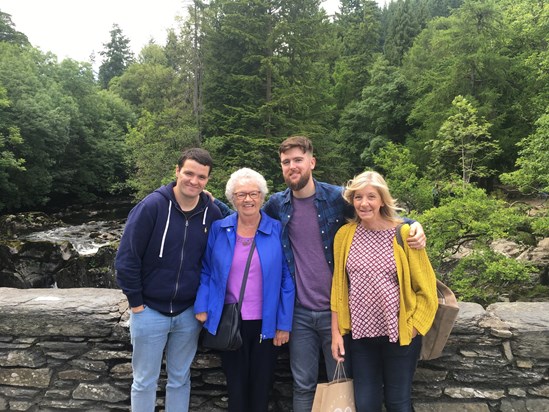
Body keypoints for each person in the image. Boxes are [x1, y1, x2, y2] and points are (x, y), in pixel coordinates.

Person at [214, 135, 426, 412]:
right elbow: (246, 213)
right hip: (300, 312)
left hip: (340, 313)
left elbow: (376, 212)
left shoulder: (337, 199)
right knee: (303, 384)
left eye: (298, 160)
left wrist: (414, 223)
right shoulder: (279, 205)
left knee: (344, 383)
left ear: (312, 162)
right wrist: (210, 203)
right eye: (286, 162)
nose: (292, 166)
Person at [115, 148, 222, 412]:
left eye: (201, 177)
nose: (194, 181)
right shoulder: (151, 206)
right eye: (189, 173)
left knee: (180, 379)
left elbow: (226, 250)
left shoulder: (212, 213)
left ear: (208, 180)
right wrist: (137, 303)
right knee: (143, 381)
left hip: (189, 313)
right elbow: (127, 257)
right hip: (149, 310)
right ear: (177, 171)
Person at [331, 171, 438, 412]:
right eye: (358, 197)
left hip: (399, 334)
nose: (364, 203)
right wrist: (336, 333)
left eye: (371, 196)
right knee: (365, 404)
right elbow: (338, 287)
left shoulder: (404, 234)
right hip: (360, 336)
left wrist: (414, 327)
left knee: (398, 403)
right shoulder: (345, 235)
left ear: (382, 200)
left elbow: (427, 289)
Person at [194, 168, 295, 412]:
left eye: (253, 193)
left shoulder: (277, 229)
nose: (247, 199)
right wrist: (202, 305)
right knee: (235, 387)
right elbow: (206, 270)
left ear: (262, 196)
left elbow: (286, 279)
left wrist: (284, 324)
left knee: (261, 387)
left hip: (266, 323)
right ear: (232, 198)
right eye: (241, 194)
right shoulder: (220, 228)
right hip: (230, 319)